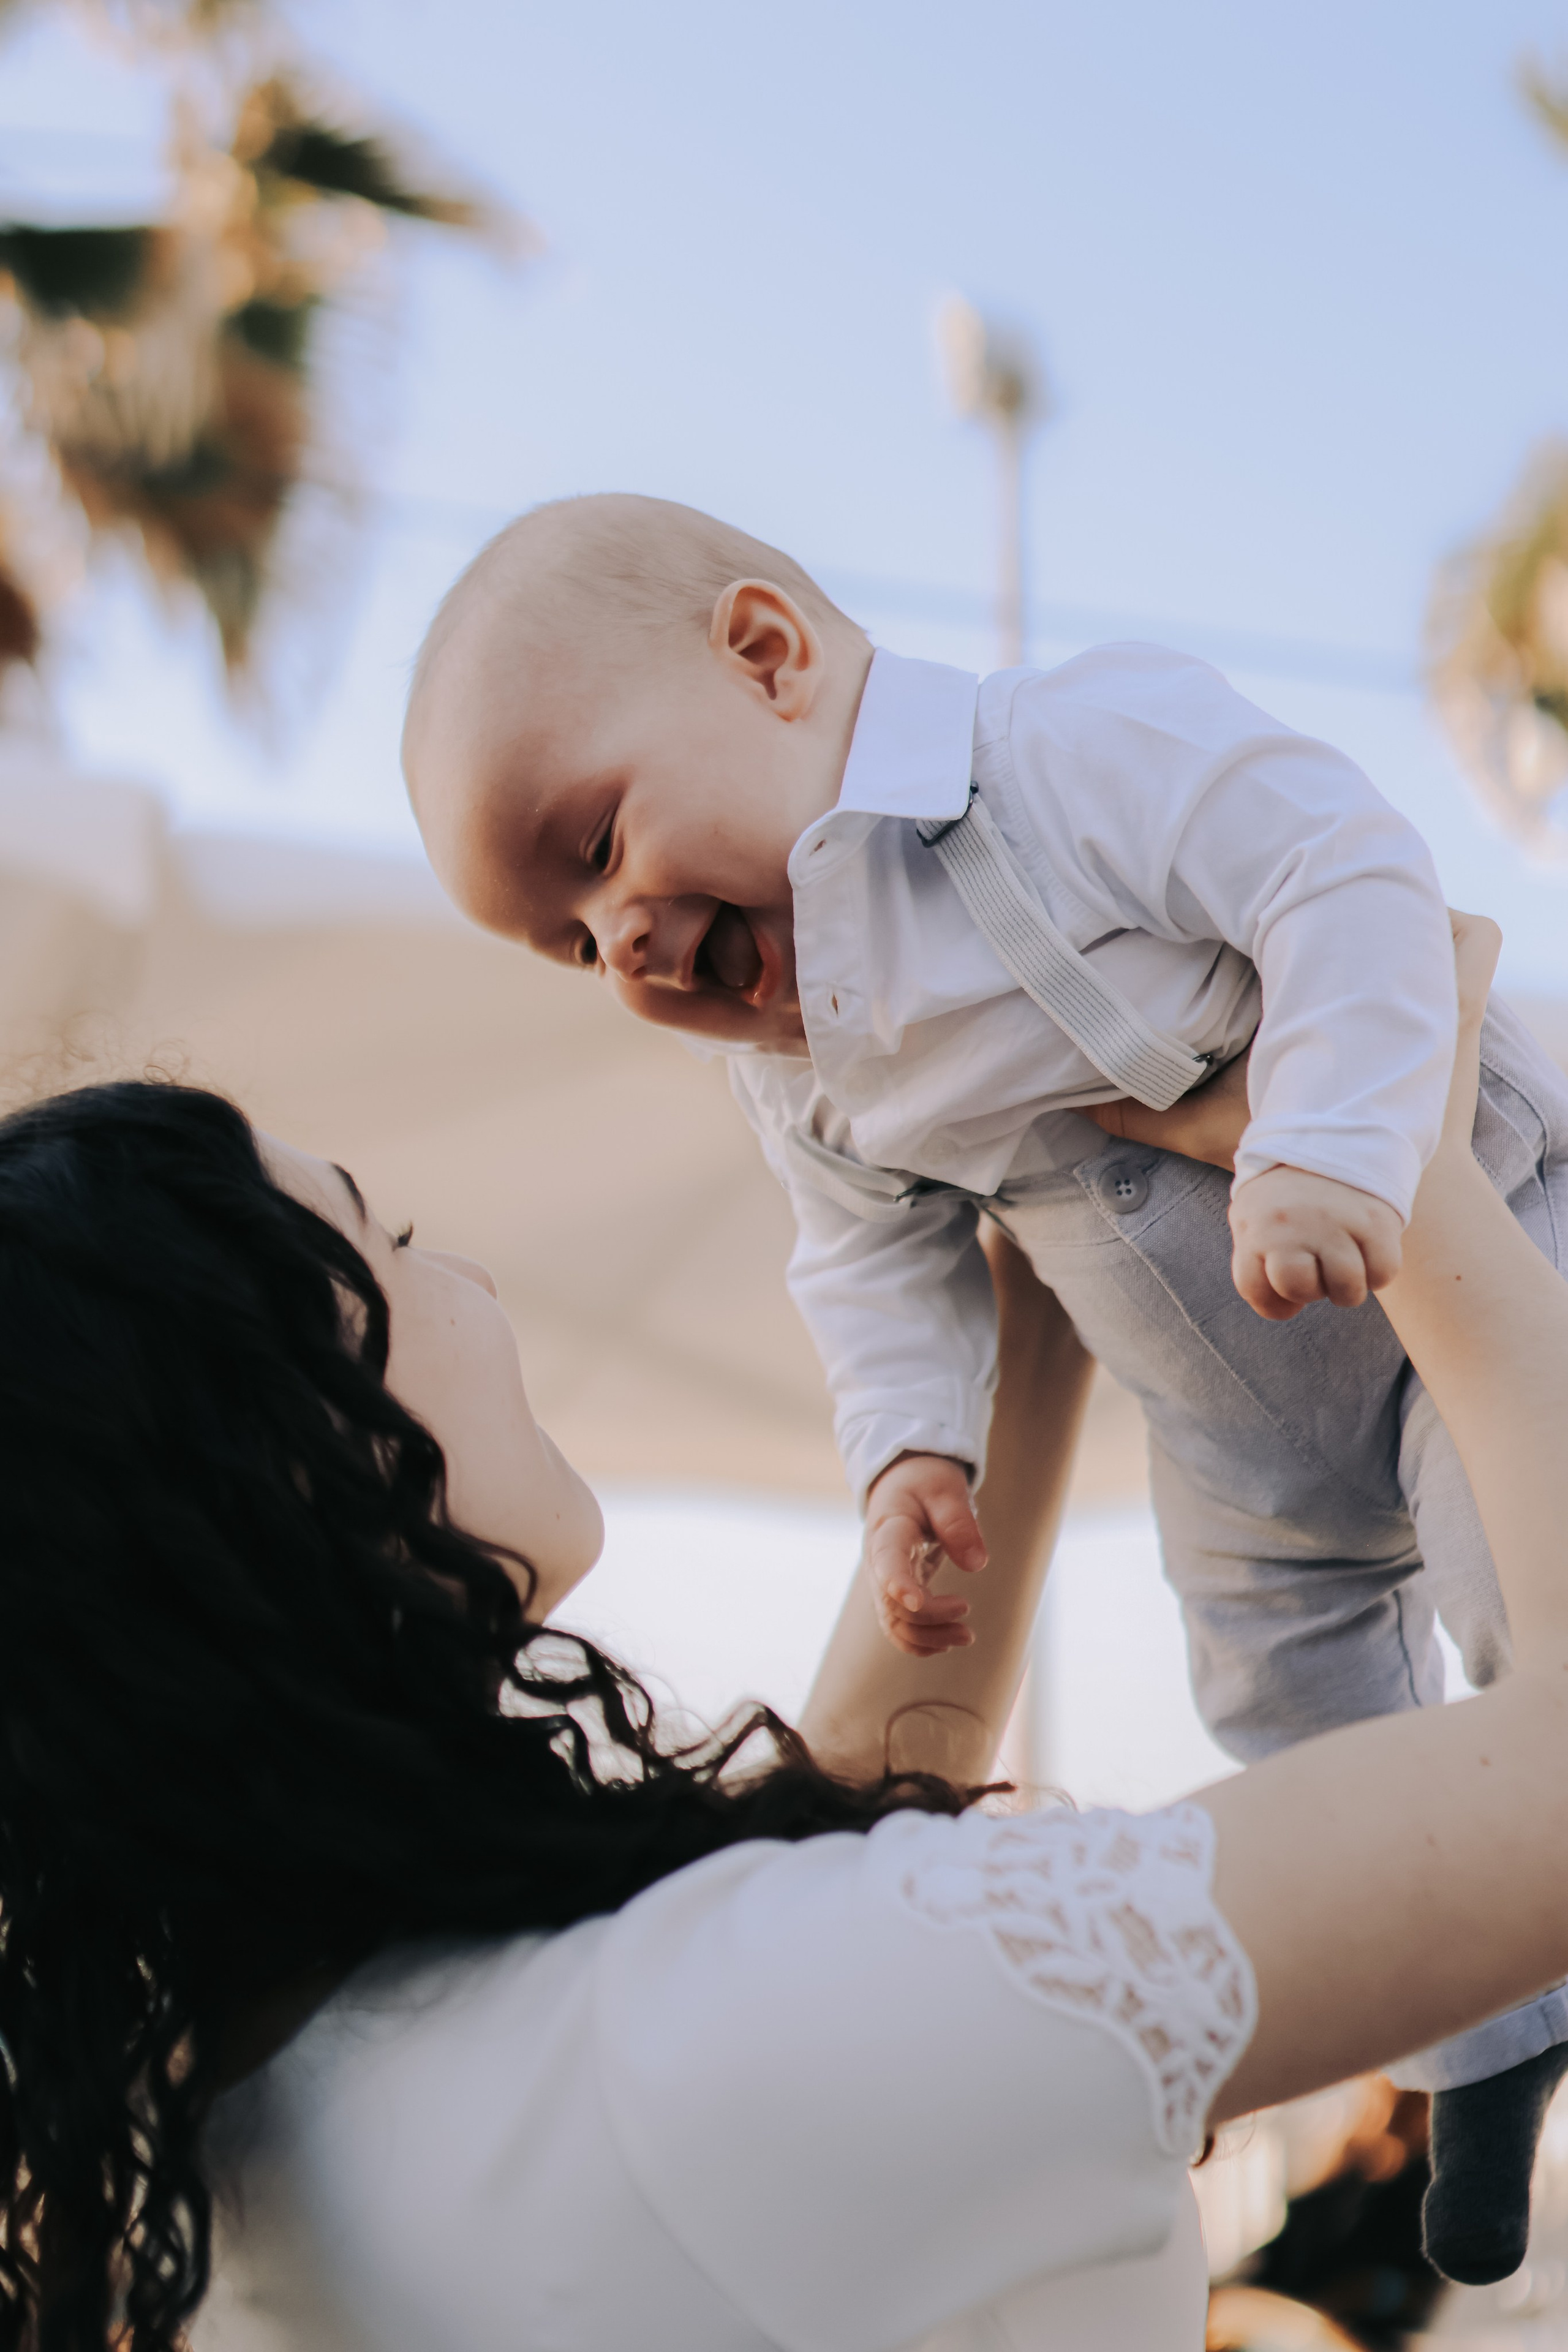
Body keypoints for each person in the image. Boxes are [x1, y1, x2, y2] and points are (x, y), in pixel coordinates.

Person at [0, 908, 1559, 2352]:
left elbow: (840, 1824)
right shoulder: (713, 2049)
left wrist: (1026, 1283)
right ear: (281, 1452)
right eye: (387, 1243)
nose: (463, 1270)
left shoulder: (235, 2105)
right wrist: (1406, 1152)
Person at [401, 491, 1568, 2281]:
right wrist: (908, 1457)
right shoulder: (797, 1076)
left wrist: (1333, 1139)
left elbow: (1340, 870)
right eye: (568, 944)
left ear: (769, 658)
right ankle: (1476, 2056)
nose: (617, 945)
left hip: (1427, 1233)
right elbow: (873, 1267)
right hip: (1225, 1414)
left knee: (1511, 1580)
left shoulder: (1057, 760)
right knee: (1277, 1690)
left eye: (599, 843)